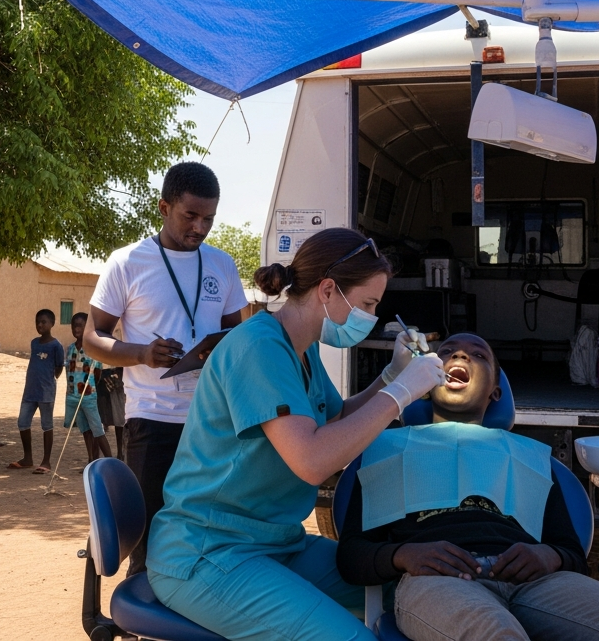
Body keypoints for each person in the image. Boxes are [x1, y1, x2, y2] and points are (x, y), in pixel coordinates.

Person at [144, 228, 444, 639]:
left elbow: (335, 421)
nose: (371, 318)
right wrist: (401, 393)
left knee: (414, 594)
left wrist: (391, 376)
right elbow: (313, 460)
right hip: (209, 551)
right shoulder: (258, 348)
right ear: (327, 289)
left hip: (277, 543)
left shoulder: (302, 346)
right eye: (368, 304)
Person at [337, 333, 599, 641]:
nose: (460, 357)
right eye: (448, 352)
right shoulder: (386, 449)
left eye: (478, 354)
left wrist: (547, 556)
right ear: (425, 381)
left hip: (535, 584)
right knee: (497, 634)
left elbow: (571, 553)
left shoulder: (529, 458)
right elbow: (351, 556)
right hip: (439, 581)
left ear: (495, 391)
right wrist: (403, 555)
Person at [85, 162, 250, 573]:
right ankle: (142, 620)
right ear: (163, 206)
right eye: (189, 216)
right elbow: (92, 338)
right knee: (148, 531)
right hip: (152, 417)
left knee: (207, 527)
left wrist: (219, 346)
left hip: (212, 418)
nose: (200, 227)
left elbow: (238, 333)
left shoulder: (222, 265)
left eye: (208, 218)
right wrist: (142, 353)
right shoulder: (127, 263)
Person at [14, 309, 65, 473]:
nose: (40, 325)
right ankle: (27, 457)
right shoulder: (34, 343)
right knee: (22, 422)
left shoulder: (56, 346)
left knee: (47, 425)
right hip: (29, 391)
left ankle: (46, 461)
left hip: (45, 392)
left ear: (52, 323)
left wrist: (48, 380)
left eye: (44, 322)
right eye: (38, 322)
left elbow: (58, 368)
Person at [65, 312, 113, 465]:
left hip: (88, 396)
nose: (76, 328)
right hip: (73, 395)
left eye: (80, 325)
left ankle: (110, 460)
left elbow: (97, 373)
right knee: (85, 430)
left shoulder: (92, 350)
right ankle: (92, 460)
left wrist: (89, 387)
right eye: (74, 325)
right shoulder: (70, 348)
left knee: (97, 430)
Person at [96, 366, 127, 461]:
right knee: (99, 423)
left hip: (117, 382)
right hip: (101, 383)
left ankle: (120, 453)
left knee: (120, 421)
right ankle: (97, 457)